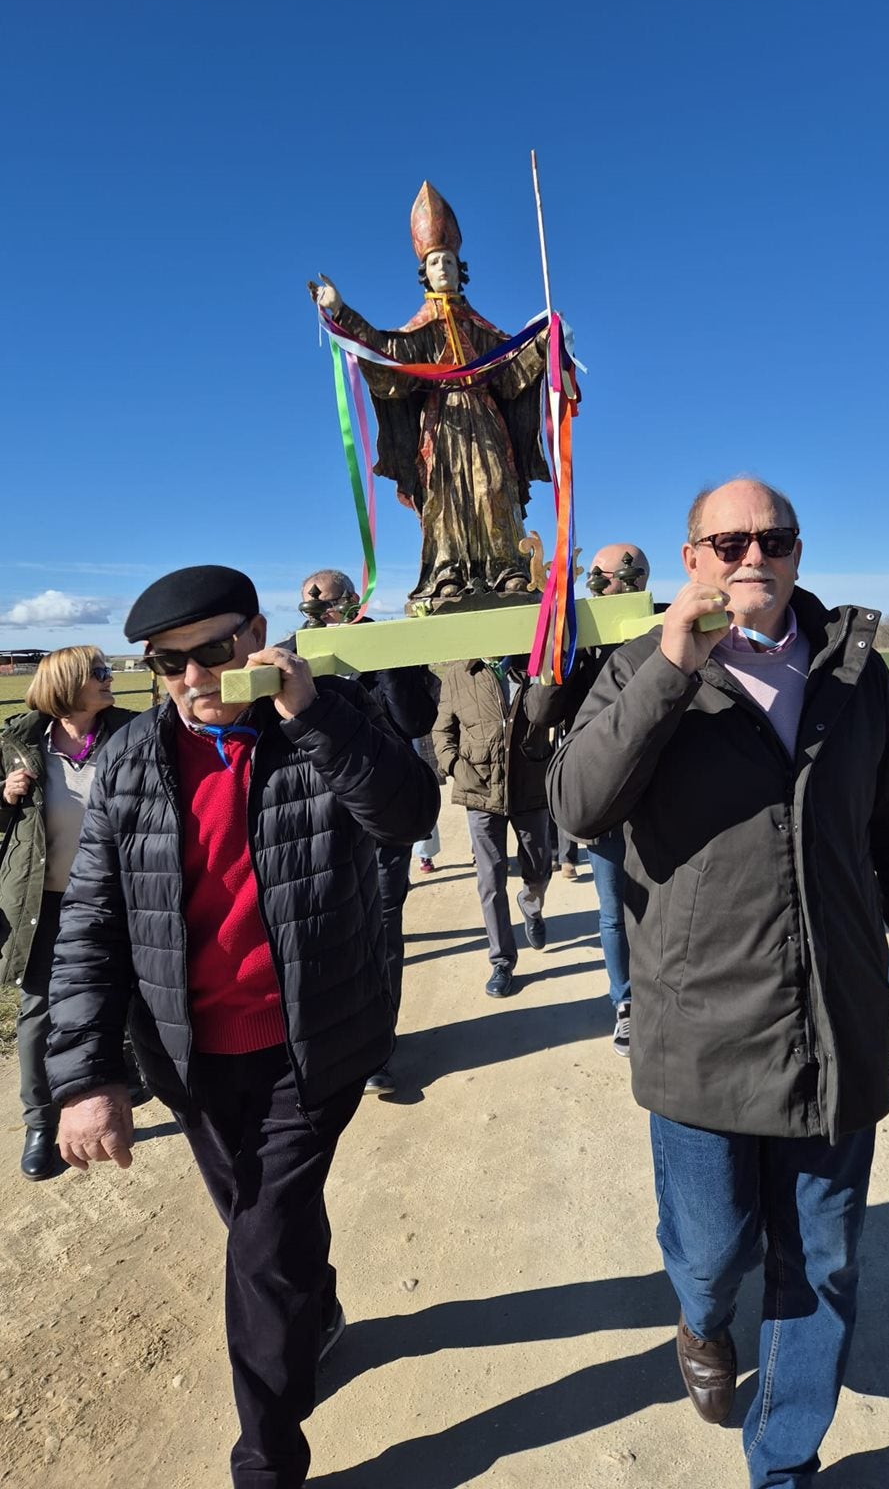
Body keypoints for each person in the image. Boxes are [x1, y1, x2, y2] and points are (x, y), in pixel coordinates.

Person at [549, 481, 889, 1485]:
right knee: (713, 1250)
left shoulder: (854, 674)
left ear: (799, 552)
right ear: (692, 557)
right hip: (699, 1031)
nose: (749, 554)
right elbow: (577, 801)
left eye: (771, 537)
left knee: (819, 1264)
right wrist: (670, 668)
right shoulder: (643, 664)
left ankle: (782, 1460)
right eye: (727, 539)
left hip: (833, 1026)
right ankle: (698, 1313)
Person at [46, 565, 439, 1488]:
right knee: (267, 1227)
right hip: (190, 1057)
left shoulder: (323, 717)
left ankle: (267, 1459)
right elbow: (93, 920)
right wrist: (86, 1075)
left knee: (259, 1251)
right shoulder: (132, 757)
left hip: (312, 1044)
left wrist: (316, 718)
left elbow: (408, 813)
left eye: (215, 651)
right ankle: (324, 1305)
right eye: (167, 664)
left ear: (257, 634)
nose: (195, 679)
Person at [308, 181, 548, 600]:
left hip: (485, 420)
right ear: (425, 271)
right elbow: (387, 357)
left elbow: (510, 372)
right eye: (436, 262)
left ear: (460, 269)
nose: (443, 269)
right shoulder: (420, 330)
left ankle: (506, 567)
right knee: (447, 495)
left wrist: (546, 340)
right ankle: (446, 571)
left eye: (450, 262)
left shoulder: (482, 329)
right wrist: (341, 310)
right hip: (441, 427)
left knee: (492, 486)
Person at [288, 568, 438, 1093]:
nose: (322, 613)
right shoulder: (291, 656)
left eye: (331, 603)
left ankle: (377, 1046)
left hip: (381, 811)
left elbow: (415, 721)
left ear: (355, 601)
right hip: (313, 822)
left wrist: (383, 655)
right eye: (312, 606)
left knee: (380, 927)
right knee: (315, 932)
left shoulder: (389, 643)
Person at [1, 647, 141, 1180]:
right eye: (99, 674)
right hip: (44, 899)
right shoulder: (17, 742)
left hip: (120, 892)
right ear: (66, 685)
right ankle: (41, 1121)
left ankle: (125, 1081)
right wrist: (4, 796)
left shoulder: (133, 733)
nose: (111, 680)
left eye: (109, 671)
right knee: (39, 1011)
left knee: (136, 992)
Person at [526, 541, 651, 1057]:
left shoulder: (661, 626)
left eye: (606, 579)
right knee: (613, 910)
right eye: (592, 580)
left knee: (664, 906)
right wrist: (557, 651)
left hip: (656, 794)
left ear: (638, 579)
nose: (596, 588)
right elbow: (540, 712)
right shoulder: (573, 637)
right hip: (602, 795)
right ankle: (625, 1004)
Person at [433, 654, 553, 997]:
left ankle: (532, 904)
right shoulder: (459, 673)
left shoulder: (533, 664)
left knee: (540, 865)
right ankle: (501, 961)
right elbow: (442, 729)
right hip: (479, 791)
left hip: (529, 787)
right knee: (490, 877)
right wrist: (455, 765)